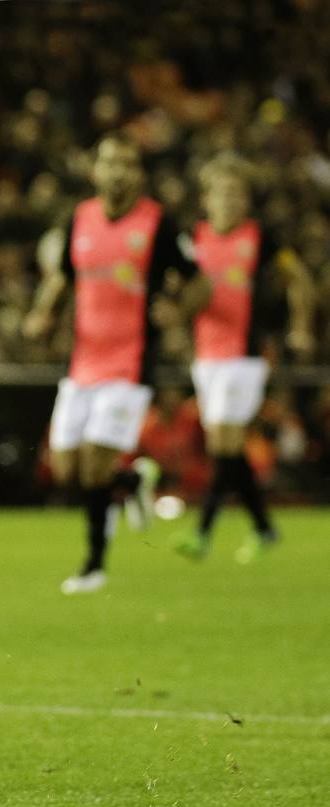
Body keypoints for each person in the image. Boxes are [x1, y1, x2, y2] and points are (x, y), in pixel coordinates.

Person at [23, 132, 208, 595]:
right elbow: (62, 279)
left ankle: (93, 565)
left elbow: (199, 284)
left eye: (126, 163)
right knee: (66, 469)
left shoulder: (157, 224)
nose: (117, 172)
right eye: (109, 163)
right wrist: (42, 314)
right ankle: (135, 479)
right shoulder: (80, 218)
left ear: (138, 173)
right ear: (95, 170)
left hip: (129, 364)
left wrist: (178, 312)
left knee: (93, 468)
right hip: (82, 362)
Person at [172, 152, 315, 563]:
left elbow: (299, 280)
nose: (232, 201)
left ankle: (202, 533)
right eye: (224, 193)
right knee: (228, 452)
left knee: (224, 444)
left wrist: (301, 326)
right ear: (208, 198)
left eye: (239, 194)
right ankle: (265, 527)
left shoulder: (259, 238)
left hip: (245, 357)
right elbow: (180, 290)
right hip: (207, 357)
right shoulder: (193, 238)